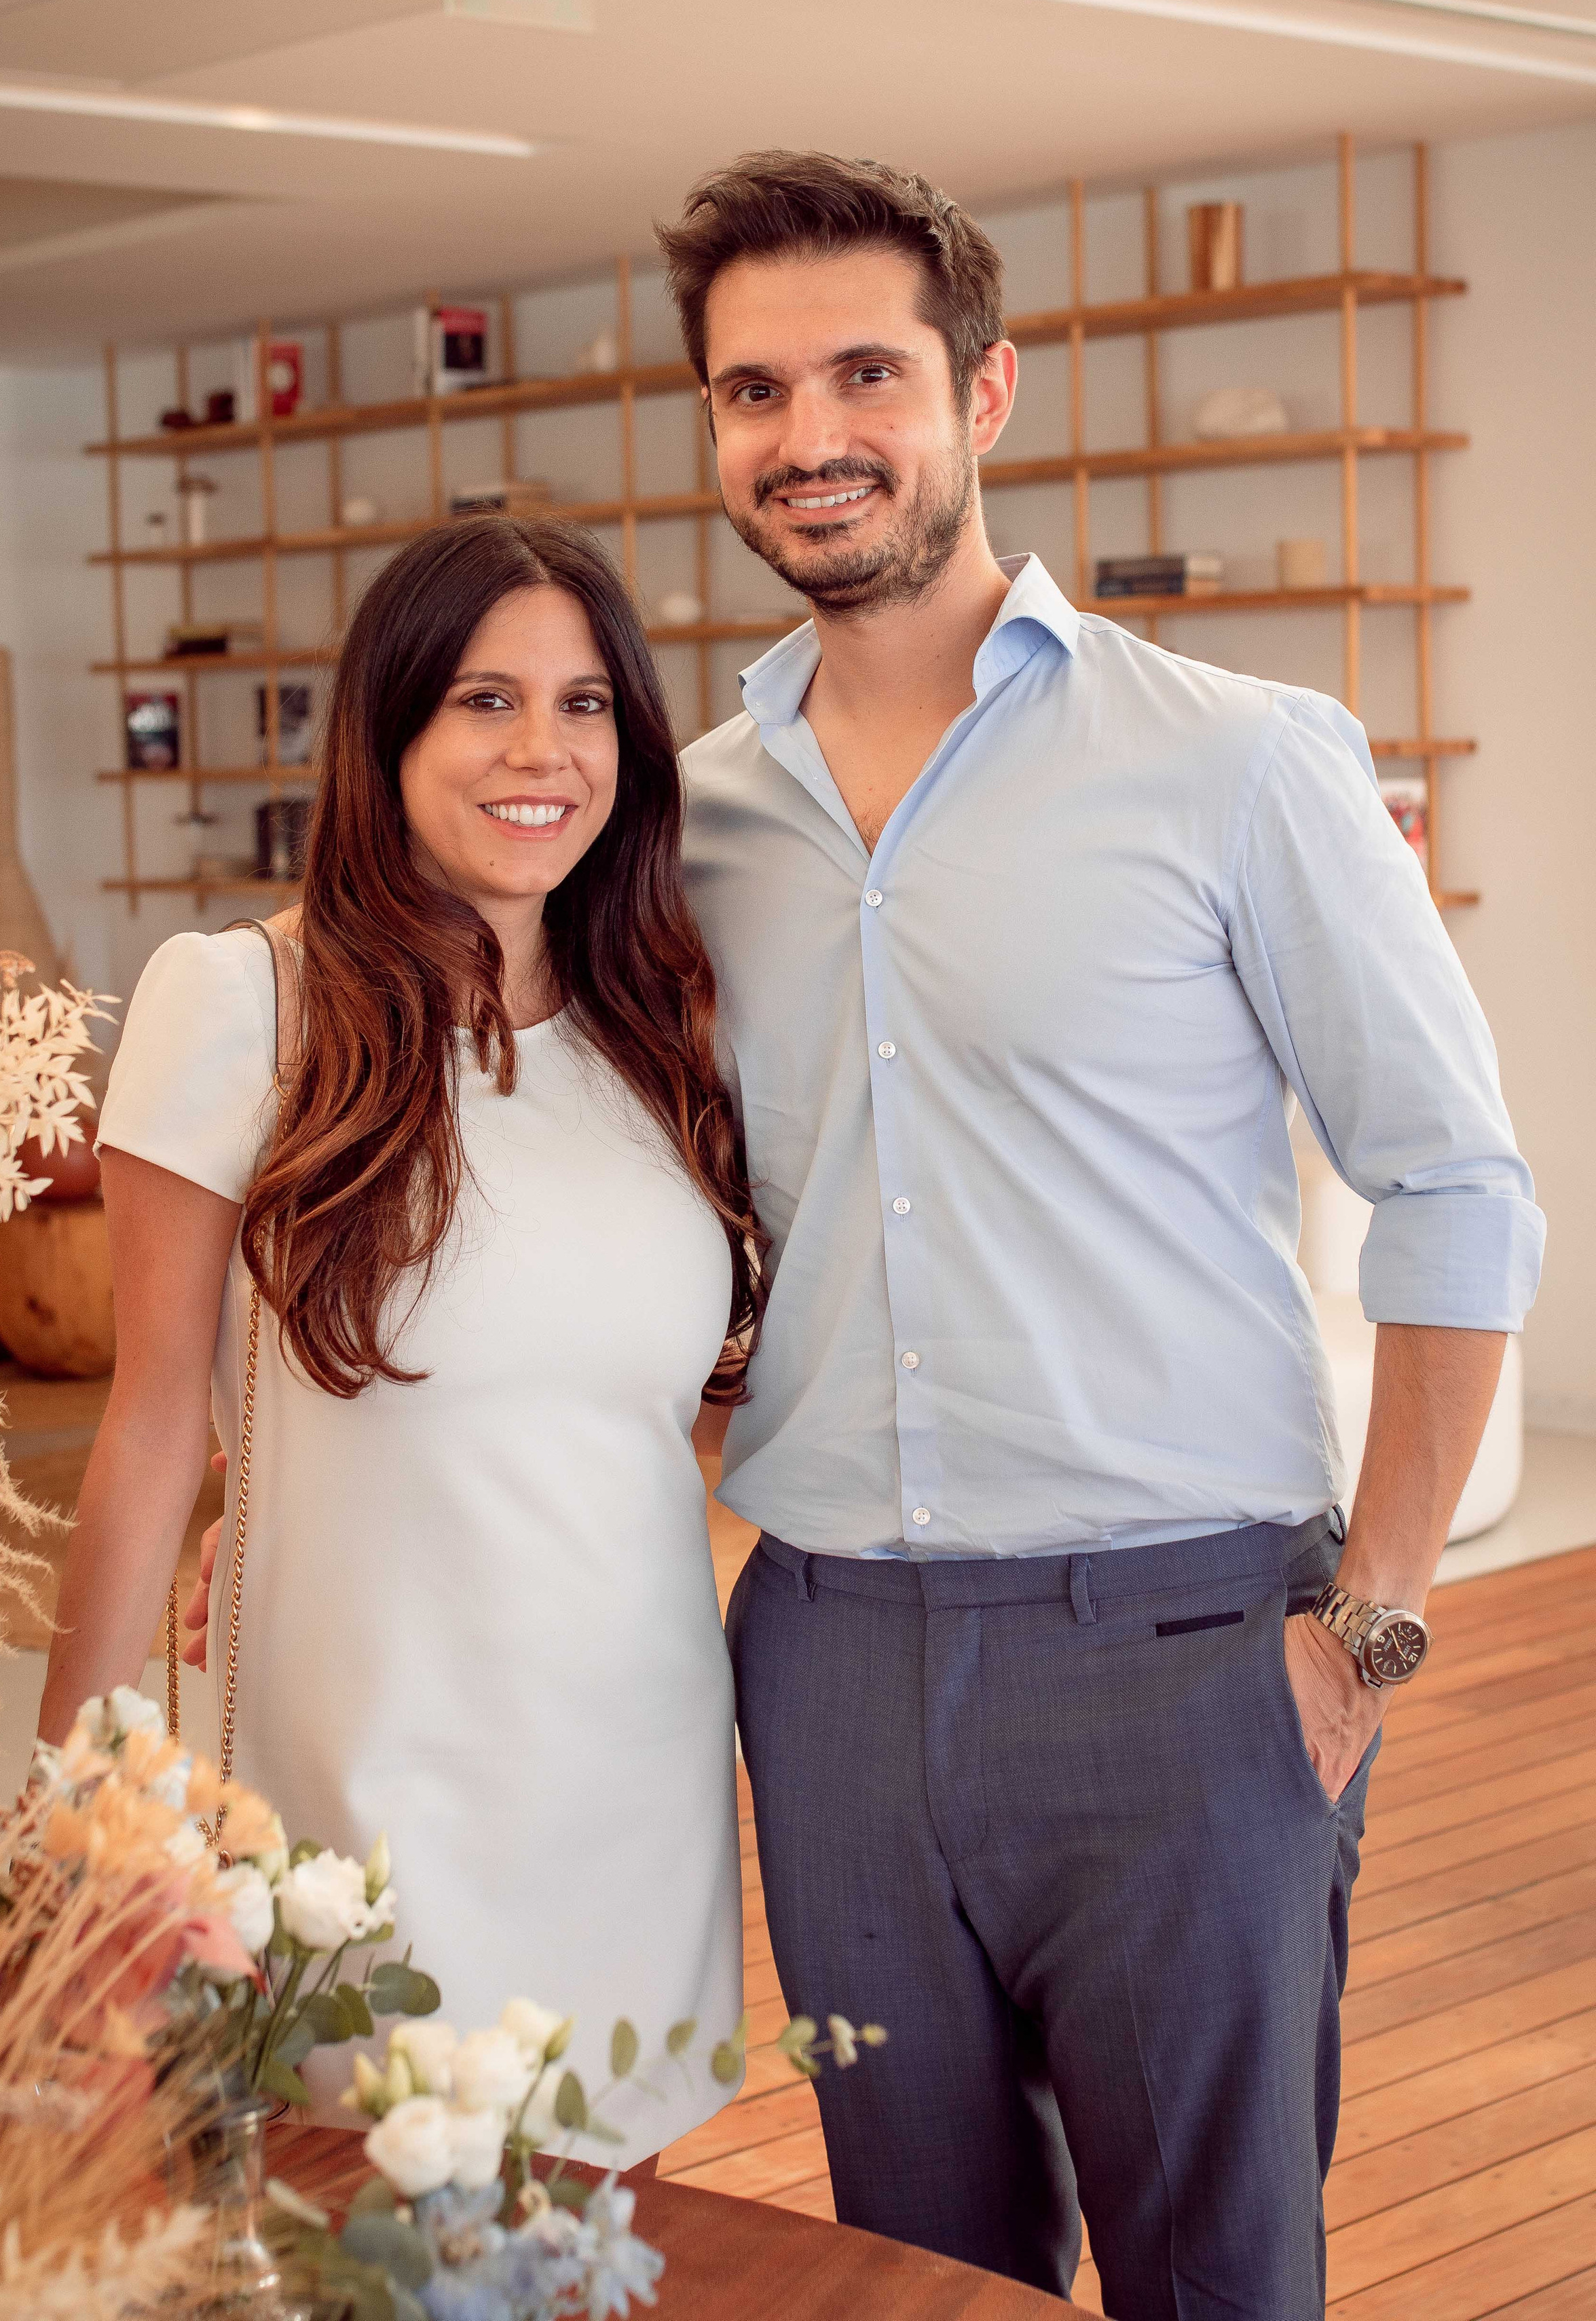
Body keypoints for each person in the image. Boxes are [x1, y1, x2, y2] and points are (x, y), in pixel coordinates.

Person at [661, 152, 1543, 2316]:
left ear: (985, 392)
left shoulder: (1237, 762)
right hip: (829, 1660)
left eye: (865, 373)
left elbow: (1458, 1185)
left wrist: (1373, 1627)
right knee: (912, 2279)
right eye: (754, 390)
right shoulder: (684, 825)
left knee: (1217, 2282)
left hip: (1187, 1662)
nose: (809, 434)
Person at [37, 519, 760, 2153]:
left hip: (635, 1782)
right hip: (361, 1793)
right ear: (387, 730)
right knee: (359, 2216)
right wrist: (67, 1826)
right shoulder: (242, 1003)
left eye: (583, 705)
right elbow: (150, 1428)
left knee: (603, 2224)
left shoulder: (662, 1025)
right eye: (483, 700)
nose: (539, 751)